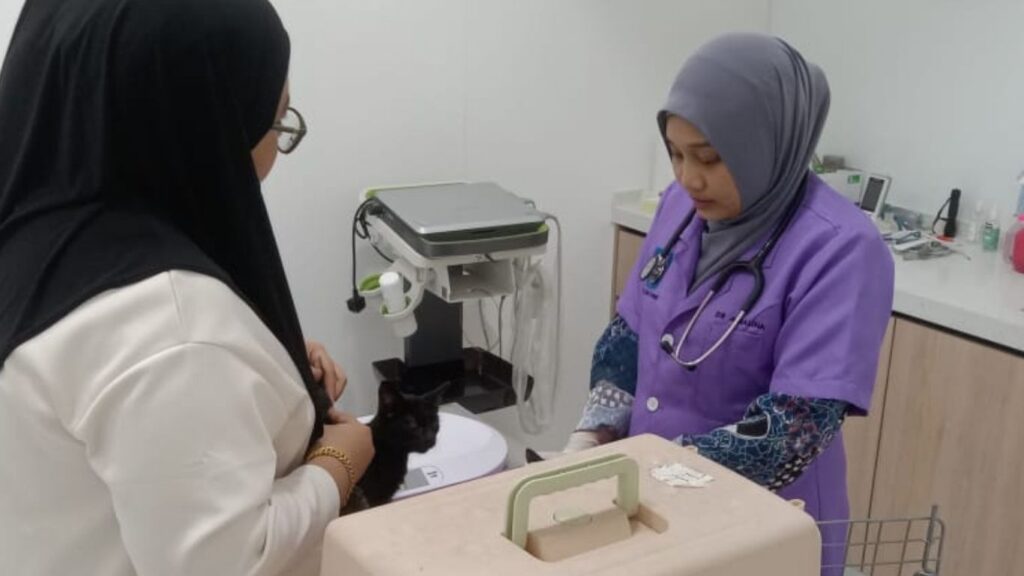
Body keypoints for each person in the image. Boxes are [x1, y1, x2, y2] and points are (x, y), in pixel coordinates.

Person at [0, 0, 374, 574]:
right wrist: (338, 463)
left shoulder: (40, 240)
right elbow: (227, 563)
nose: (275, 148)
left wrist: (256, 367)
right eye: (277, 122)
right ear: (202, 120)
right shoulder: (170, 330)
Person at [569, 33, 894, 573]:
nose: (688, 178)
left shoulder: (841, 249)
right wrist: (593, 432)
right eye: (675, 154)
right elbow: (630, 335)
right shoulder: (680, 207)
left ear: (766, 144)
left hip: (764, 525)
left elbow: (795, 429)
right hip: (651, 512)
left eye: (710, 158)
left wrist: (657, 473)